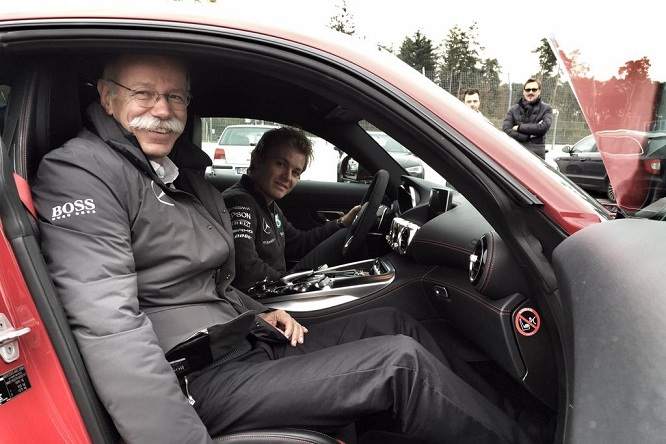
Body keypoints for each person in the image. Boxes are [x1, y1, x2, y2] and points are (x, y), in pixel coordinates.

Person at [32, 53, 532, 444]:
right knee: (398, 363)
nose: (162, 110)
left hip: (240, 341)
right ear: (105, 95)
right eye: (143, 93)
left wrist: (255, 315)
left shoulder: (185, 180)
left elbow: (218, 284)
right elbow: (107, 323)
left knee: (397, 324)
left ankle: (516, 419)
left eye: (176, 98)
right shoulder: (82, 172)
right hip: (193, 379)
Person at [222, 127, 361, 292]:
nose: (287, 177)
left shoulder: (267, 204)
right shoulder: (239, 203)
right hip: (264, 300)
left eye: (295, 172)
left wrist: (341, 223)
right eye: (280, 164)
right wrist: (291, 284)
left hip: (277, 288)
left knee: (343, 237)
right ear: (257, 160)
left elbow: (298, 243)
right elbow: (245, 267)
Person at [502, 78, 553, 159]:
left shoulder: (547, 108)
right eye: (528, 90)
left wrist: (518, 128)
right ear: (524, 91)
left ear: (539, 91)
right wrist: (528, 136)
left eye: (534, 90)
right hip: (516, 152)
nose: (531, 92)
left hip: (537, 156)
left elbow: (543, 127)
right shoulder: (513, 110)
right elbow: (506, 129)